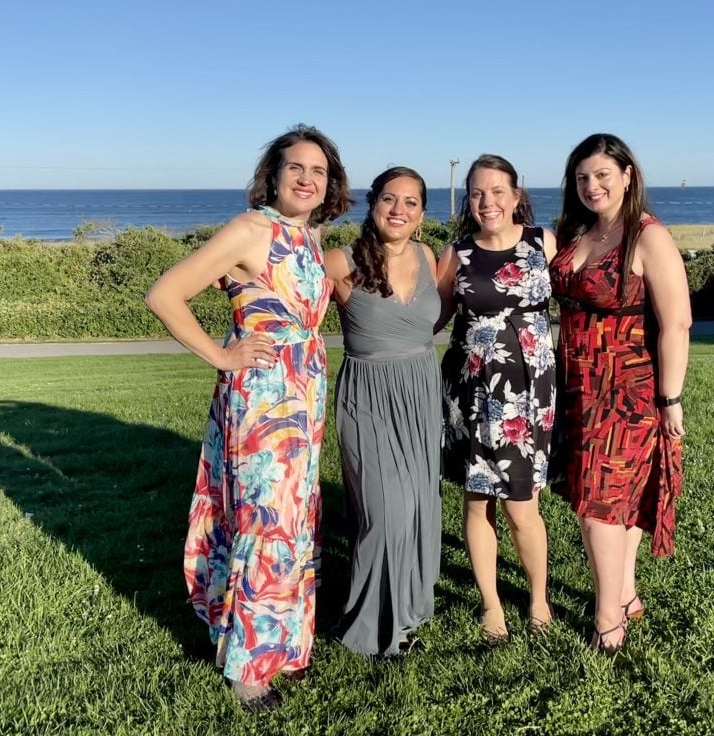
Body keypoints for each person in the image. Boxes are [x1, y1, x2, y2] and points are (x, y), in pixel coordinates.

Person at [144, 125, 351, 708]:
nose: (308, 179)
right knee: (263, 520)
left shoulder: (309, 238)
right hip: (261, 399)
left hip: (303, 394)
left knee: (293, 521)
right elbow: (165, 294)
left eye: (320, 171)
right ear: (275, 175)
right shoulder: (250, 229)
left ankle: (281, 643)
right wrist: (222, 353)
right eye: (296, 168)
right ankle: (247, 665)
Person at [551, 133, 691, 654]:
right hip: (577, 384)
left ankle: (609, 618)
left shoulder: (647, 236)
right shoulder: (581, 231)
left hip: (626, 389)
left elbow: (676, 322)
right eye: (583, 177)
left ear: (627, 175)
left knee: (600, 506)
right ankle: (627, 594)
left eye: (603, 175)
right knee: (617, 500)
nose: (592, 185)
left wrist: (670, 399)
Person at [436, 154, 557, 641]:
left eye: (497, 191)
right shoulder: (456, 255)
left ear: (516, 195)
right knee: (477, 501)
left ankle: (539, 600)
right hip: (470, 393)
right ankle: (491, 604)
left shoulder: (542, 243)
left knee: (522, 505)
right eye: (478, 192)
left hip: (529, 396)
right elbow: (433, 319)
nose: (488, 201)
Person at [325, 166, 442, 657]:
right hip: (368, 395)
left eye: (411, 202)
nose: (399, 209)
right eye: (389, 199)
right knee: (384, 510)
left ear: (421, 213)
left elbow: (436, 317)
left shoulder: (428, 255)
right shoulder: (339, 260)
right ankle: (368, 630)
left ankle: (408, 612)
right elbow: (285, 302)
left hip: (421, 390)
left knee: (418, 507)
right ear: (372, 205)